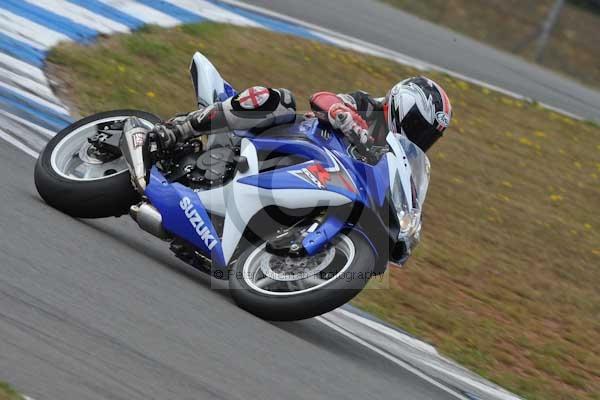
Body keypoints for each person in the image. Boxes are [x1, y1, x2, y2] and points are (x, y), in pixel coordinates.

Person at [146, 76, 452, 161]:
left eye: (429, 136)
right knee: (278, 99)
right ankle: (178, 130)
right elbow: (324, 98)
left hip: (317, 176)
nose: (420, 139)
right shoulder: (365, 105)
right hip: (284, 139)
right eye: (418, 128)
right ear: (403, 107)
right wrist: (344, 117)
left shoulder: (394, 159)